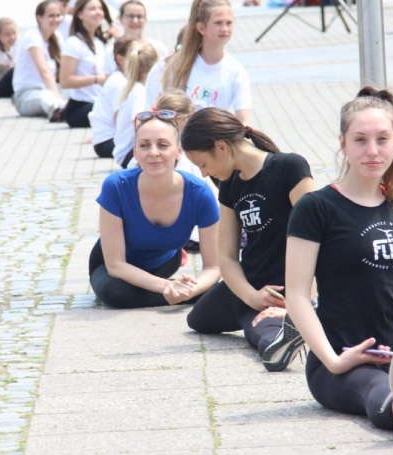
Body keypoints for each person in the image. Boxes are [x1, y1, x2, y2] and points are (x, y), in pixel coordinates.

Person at [284, 87, 393, 435]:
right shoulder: (316, 207)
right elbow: (296, 295)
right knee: (383, 396)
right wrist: (333, 360)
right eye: (360, 140)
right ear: (343, 143)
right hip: (340, 361)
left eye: (382, 139)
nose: (372, 151)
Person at [181, 108, 316, 371]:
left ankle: (284, 332)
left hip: (286, 288)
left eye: (202, 164)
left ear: (220, 147)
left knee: (256, 326)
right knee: (198, 319)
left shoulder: (290, 167)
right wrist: (251, 296)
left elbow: (318, 241)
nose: (204, 174)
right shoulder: (230, 184)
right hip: (252, 283)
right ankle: (265, 318)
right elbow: (227, 256)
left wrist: (303, 303)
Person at [88, 108, 221, 308]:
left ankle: (178, 294)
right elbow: (116, 265)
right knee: (118, 294)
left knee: (211, 288)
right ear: (135, 152)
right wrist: (166, 288)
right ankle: (173, 295)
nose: (153, 153)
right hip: (112, 269)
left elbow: (213, 267)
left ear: (178, 151)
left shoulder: (199, 193)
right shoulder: (116, 186)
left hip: (166, 262)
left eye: (163, 145)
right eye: (144, 145)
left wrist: (192, 289)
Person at [147, 0, 250, 126]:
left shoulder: (236, 71)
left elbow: (244, 120)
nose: (224, 28)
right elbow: (154, 110)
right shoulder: (176, 65)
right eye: (218, 23)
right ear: (201, 28)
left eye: (229, 23)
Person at [58, 0, 114, 128]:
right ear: (80, 14)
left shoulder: (100, 42)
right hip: (80, 106)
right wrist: (96, 79)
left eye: (100, 8)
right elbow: (65, 81)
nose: (98, 12)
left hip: (100, 101)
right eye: (92, 9)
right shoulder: (74, 43)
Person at [12, 0, 66, 120]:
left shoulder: (57, 37)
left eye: (58, 16)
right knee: (46, 96)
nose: (56, 19)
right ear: (39, 18)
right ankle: (60, 112)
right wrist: (58, 98)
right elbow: (44, 71)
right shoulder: (32, 36)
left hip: (49, 89)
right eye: (51, 16)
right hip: (26, 95)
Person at [110, 41, 161, 168]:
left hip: (123, 149)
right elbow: (138, 124)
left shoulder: (133, 88)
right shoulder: (139, 92)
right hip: (128, 153)